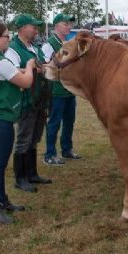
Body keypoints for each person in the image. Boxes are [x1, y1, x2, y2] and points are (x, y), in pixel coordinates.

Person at [0, 21, 36, 224]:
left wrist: (20, 69)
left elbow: (9, 74)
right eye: (5, 36)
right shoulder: (0, 62)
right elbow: (26, 82)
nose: (8, 39)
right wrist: (29, 66)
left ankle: (1, 201)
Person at [5, 14, 52, 192]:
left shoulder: (34, 47)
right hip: (25, 101)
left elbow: (40, 65)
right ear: (23, 28)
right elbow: (12, 70)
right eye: (34, 26)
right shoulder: (13, 49)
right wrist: (33, 69)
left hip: (38, 99)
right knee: (24, 139)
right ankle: (21, 178)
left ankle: (32, 174)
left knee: (34, 138)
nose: (36, 29)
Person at [41, 13, 82, 165]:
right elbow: (48, 65)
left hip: (69, 89)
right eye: (66, 24)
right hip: (56, 90)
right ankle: (50, 154)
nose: (69, 27)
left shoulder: (67, 43)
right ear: (56, 25)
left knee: (69, 121)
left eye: (70, 24)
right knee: (54, 122)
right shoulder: (49, 44)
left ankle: (67, 149)